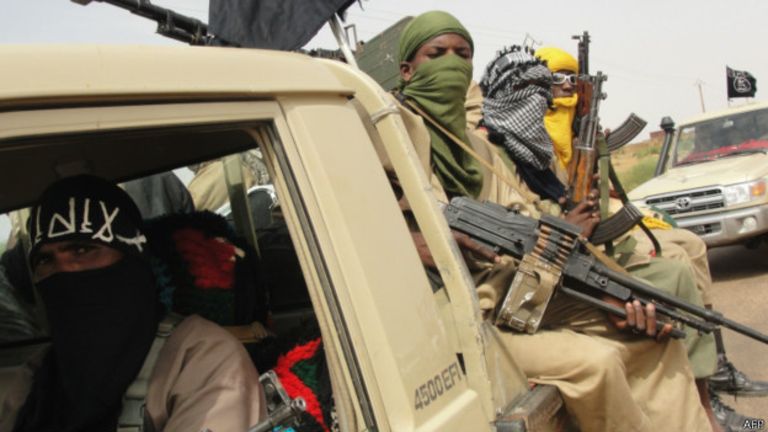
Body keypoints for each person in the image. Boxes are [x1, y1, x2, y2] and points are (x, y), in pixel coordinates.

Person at [391, 11, 711, 432]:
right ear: (407, 70)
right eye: (438, 54)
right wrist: (416, 241)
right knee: (597, 361)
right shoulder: (388, 139)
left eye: (462, 55)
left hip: (526, 287)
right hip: (460, 311)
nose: (452, 63)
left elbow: (526, 223)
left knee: (653, 331)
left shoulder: (476, 150)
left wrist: (579, 251)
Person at [535, 45, 768, 429]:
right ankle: (701, 399)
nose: (566, 90)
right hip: (569, 246)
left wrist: (593, 151)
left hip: (592, 232)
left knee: (689, 245)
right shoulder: (530, 132)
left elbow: (595, 190)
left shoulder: (570, 126)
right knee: (675, 266)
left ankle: (714, 369)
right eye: (557, 81)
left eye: (571, 81)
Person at [0, 175, 266, 432]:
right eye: (45, 260)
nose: (65, 271)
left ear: (131, 259)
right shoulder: (40, 376)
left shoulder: (201, 359)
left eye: (82, 250)